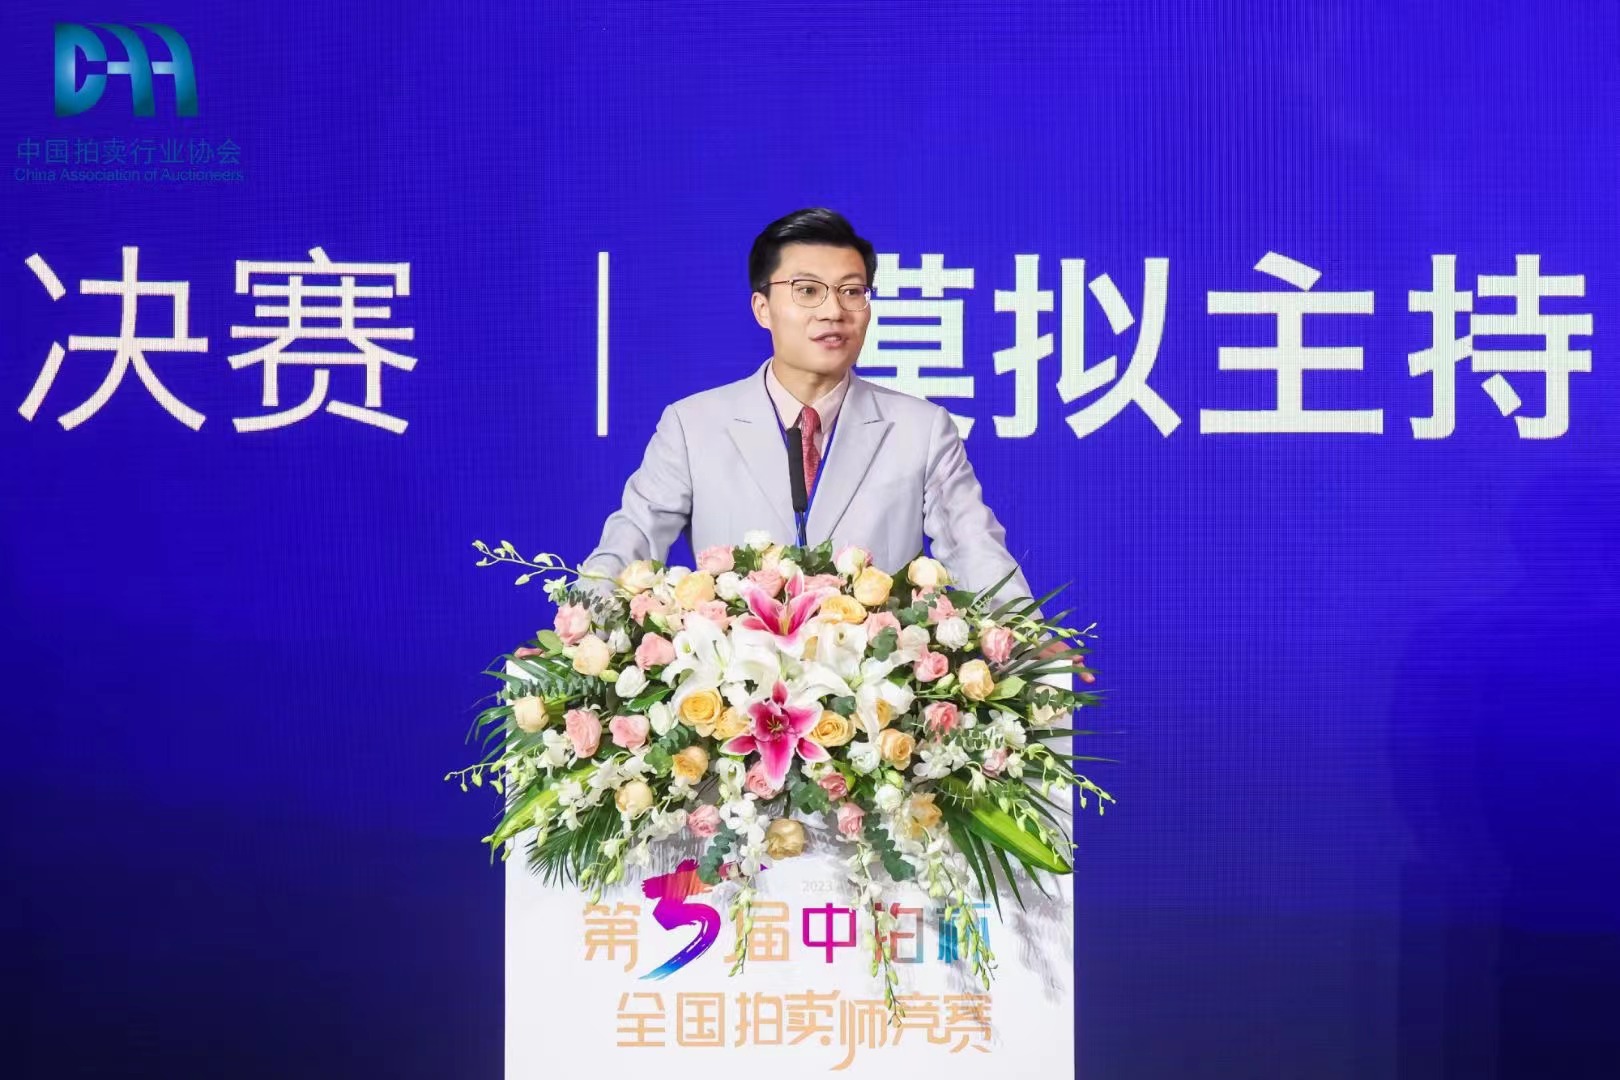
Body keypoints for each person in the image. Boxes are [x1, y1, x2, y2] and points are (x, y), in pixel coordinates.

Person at [583, 207, 1035, 604]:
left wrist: (1027, 641)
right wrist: (580, 632)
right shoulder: (692, 425)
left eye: (852, 291)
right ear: (762, 308)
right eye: (807, 290)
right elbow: (630, 545)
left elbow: (974, 548)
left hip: (874, 673)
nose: (833, 310)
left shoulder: (922, 429)